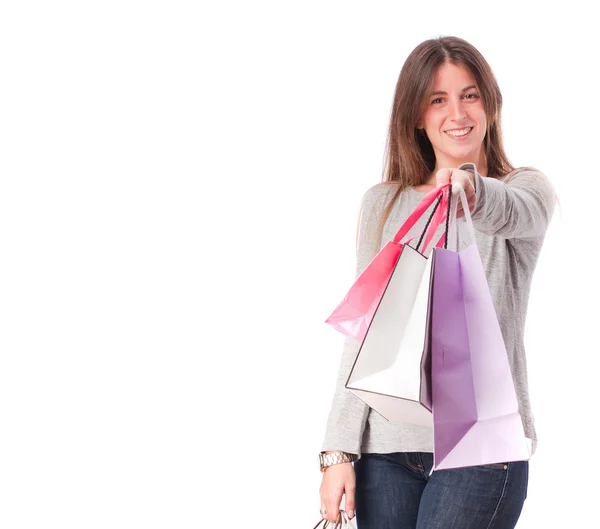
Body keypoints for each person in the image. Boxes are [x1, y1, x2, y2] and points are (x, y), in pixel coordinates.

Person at [318, 36, 556, 529]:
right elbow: (366, 332)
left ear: (490, 104)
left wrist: (467, 185)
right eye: (438, 99)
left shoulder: (522, 190)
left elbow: (511, 212)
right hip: (385, 452)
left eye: (470, 95)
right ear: (416, 115)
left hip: (482, 445)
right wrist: (336, 449)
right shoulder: (383, 204)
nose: (458, 113)